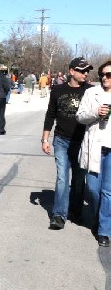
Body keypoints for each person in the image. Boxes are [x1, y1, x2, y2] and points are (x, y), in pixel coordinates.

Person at [42, 57, 93, 230]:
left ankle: (76, 211)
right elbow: (50, 115)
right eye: (82, 70)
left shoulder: (91, 91)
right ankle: (58, 215)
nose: (85, 73)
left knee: (79, 179)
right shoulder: (57, 90)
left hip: (82, 142)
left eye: (87, 71)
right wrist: (45, 139)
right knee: (62, 178)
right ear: (72, 71)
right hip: (62, 140)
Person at [76, 60, 111, 245]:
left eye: (109, 75)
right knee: (93, 189)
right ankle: (99, 217)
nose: (105, 78)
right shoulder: (91, 92)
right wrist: (96, 112)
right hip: (95, 147)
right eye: (103, 75)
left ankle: (104, 230)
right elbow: (80, 116)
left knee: (108, 192)